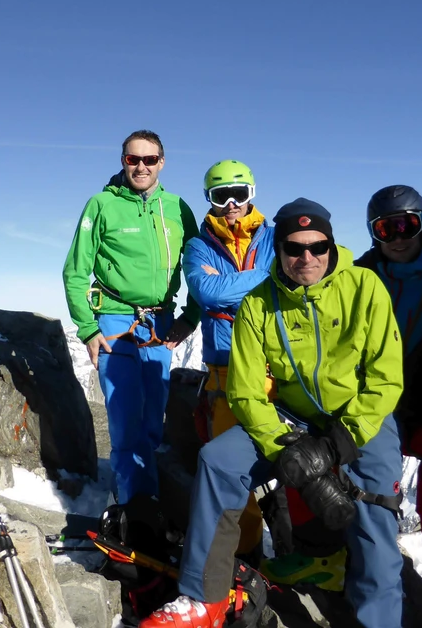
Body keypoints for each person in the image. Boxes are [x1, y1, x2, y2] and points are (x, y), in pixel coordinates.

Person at [141, 198, 405, 628]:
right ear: (278, 250)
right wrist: (285, 449)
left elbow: (386, 378)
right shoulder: (258, 303)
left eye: (317, 247)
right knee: (218, 461)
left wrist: (336, 443)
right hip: (291, 420)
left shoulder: (364, 287)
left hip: (361, 419)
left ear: (331, 246)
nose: (307, 257)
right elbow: (245, 392)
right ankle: (203, 597)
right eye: (294, 248)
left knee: (376, 520)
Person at [62, 129, 200, 505]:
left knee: (153, 416)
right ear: (123, 161)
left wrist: (192, 316)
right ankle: (133, 508)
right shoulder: (102, 205)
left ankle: (150, 493)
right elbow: (75, 271)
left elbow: (200, 268)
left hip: (161, 323)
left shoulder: (177, 208)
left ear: (162, 162)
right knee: (124, 419)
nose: (141, 166)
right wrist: (88, 329)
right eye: (132, 159)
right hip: (114, 322)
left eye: (149, 159)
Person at [354, 185, 422, 627]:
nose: (397, 236)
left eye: (407, 224)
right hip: (379, 405)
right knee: (372, 509)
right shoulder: (360, 275)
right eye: (384, 228)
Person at [182, 160, 275, 557]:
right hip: (224, 366)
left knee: (288, 459)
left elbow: (288, 276)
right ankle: (246, 550)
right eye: (222, 196)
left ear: (252, 194)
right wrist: (264, 279)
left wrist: (229, 290)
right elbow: (207, 293)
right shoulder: (198, 245)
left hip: (275, 365)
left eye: (241, 194)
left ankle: (299, 548)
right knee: (229, 470)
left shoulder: (276, 236)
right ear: (210, 199)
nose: (232, 204)